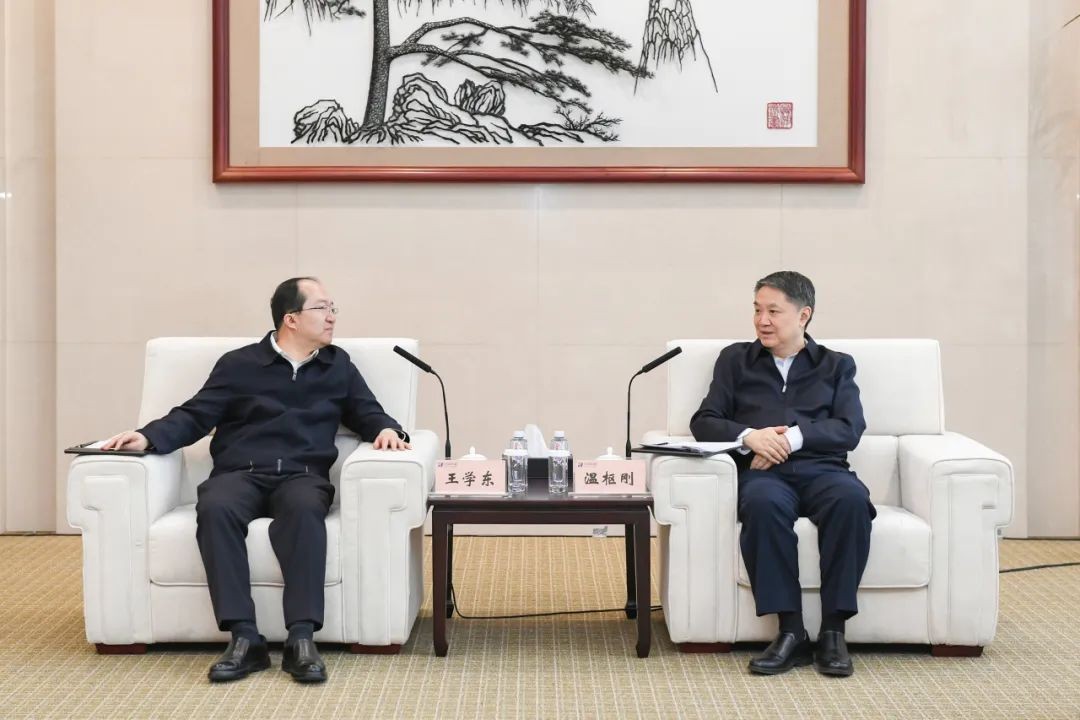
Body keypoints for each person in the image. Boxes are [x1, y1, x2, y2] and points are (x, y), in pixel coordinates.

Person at [102, 277, 410, 684]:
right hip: (240, 473)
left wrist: (387, 429)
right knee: (215, 507)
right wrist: (147, 437)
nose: (332, 316)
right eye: (322, 308)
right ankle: (244, 638)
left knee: (304, 512)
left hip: (302, 475)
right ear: (291, 319)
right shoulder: (239, 364)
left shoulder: (338, 366)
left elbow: (367, 411)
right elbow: (196, 414)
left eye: (333, 308)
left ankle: (302, 638)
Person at [689, 271, 874, 677]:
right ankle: (791, 632)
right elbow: (704, 421)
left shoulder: (836, 365)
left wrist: (791, 438)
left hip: (823, 470)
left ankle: (833, 631)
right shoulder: (735, 360)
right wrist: (750, 436)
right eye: (757, 310)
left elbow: (850, 428)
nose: (762, 320)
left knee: (851, 501)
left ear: (804, 315)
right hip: (763, 474)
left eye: (773, 311)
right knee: (761, 504)